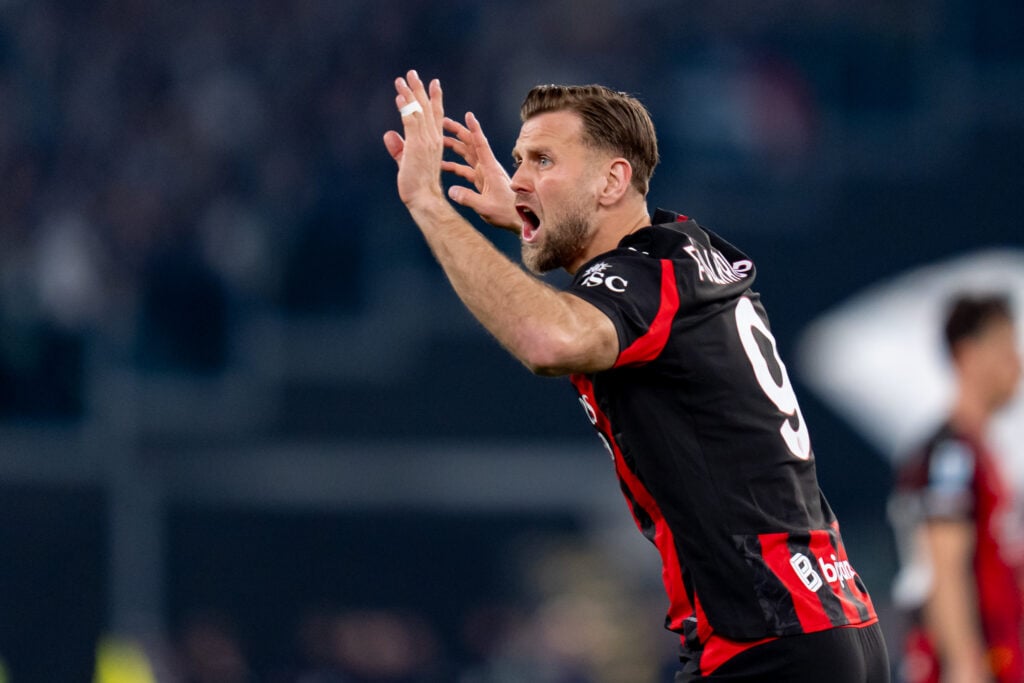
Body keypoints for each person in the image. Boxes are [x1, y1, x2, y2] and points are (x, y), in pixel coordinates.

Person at [383, 70, 889, 682]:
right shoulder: (683, 253)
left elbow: (548, 338)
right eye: (518, 160)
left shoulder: (645, 278)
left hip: (766, 638)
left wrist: (430, 206)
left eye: (543, 160)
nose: (518, 178)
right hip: (823, 621)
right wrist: (531, 218)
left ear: (612, 179)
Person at [890, 295, 1024, 683]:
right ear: (968, 354)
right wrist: (964, 666)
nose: (1015, 363)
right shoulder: (952, 456)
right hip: (962, 664)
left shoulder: (978, 453)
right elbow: (945, 568)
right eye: (1004, 346)